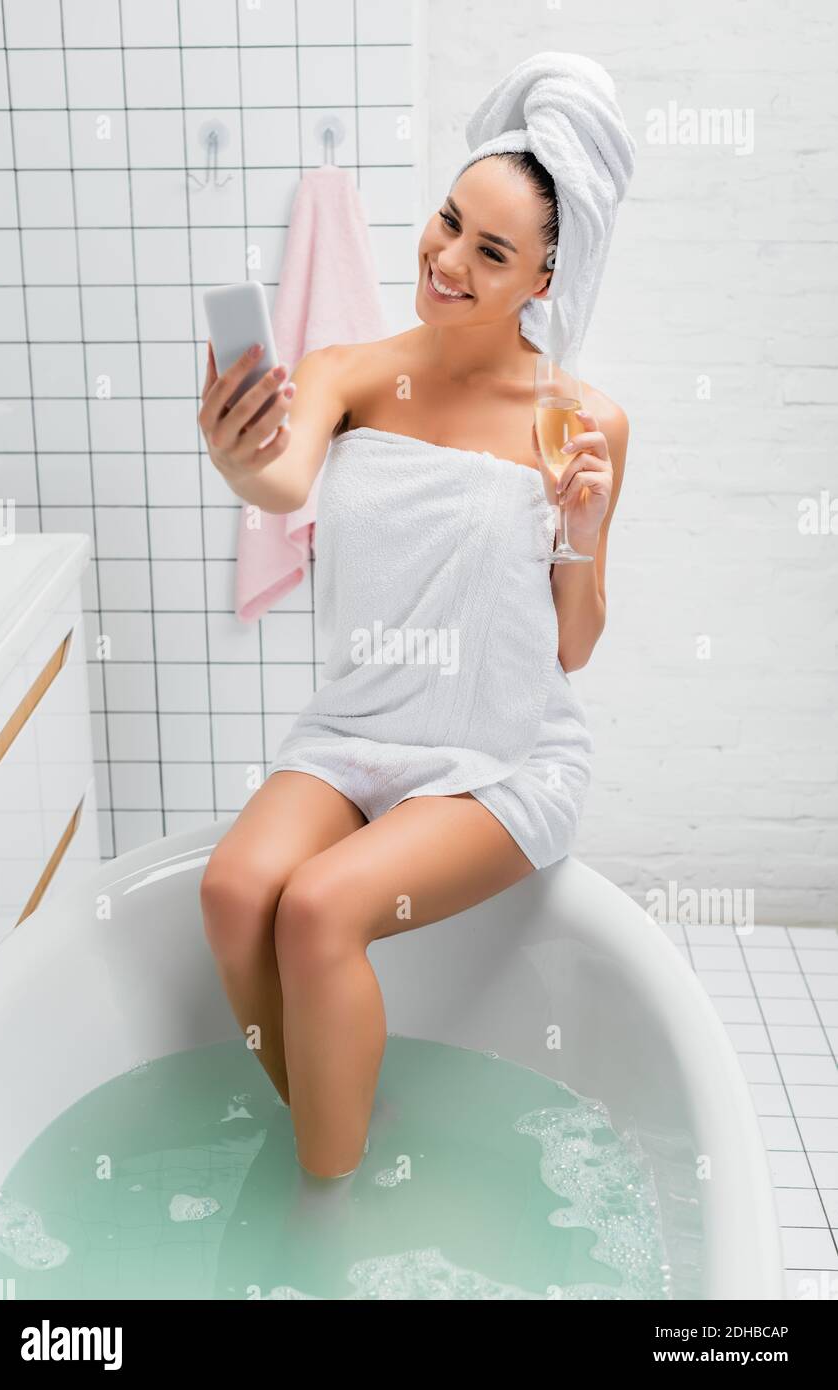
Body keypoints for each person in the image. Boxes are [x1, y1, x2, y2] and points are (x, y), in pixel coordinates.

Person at [198, 62, 633, 1182]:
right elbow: (283, 486)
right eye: (448, 221)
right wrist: (235, 455)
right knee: (236, 889)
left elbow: (575, 644)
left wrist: (581, 524)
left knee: (318, 909)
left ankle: (324, 1208)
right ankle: (344, 1133)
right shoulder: (347, 370)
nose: (446, 261)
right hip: (356, 730)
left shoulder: (581, 422)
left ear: (544, 272)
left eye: (490, 253)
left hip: (498, 754)